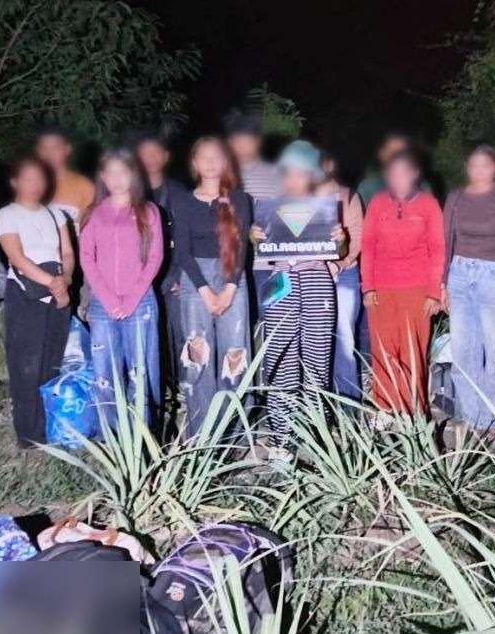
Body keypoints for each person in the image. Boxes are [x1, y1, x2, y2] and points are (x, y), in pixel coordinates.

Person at [249, 141, 345, 462]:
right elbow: (258, 246)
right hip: (280, 283)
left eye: (301, 172)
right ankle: (281, 437)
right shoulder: (269, 208)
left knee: (317, 360)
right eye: (289, 172)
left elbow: (341, 253)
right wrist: (253, 236)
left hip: (318, 281)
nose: (294, 179)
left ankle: (317, 436)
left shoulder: (325, 208)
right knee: (280, 358)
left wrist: (341, 239)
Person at [171, 137, 253, 438]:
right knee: (198, 356)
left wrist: (230, 288)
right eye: (203, 156)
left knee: (234, 354)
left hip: (233, 277)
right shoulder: (183, 200)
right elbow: (182, 251)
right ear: (194, 163)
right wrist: (204, 290)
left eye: (216, 156)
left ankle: (234, 436)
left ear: (226, 161)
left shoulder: (240, 199)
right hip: (196, 281)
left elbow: (241, 247)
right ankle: (202, 435)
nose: (209, 162)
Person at [79, 147, 165, 429]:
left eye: (123, 172)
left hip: (141, 303)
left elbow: (155, 258)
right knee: (105, 373)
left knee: (142, 372)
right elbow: (86, 258)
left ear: (134, 175)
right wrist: (107, 298)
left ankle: (143, 435)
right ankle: (112, 437)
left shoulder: (149, 211)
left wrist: (130, 299)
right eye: (110, 173)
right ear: (102, 176)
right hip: (102, 305)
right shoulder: (93, 213)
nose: (116, 179)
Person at [441, 143, 495, 427]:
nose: (479, 171)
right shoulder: (455, 197)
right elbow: (445, 242)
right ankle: (473, 415)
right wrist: (442, 284)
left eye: (485, 165)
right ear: (467, 167)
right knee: (464, 352)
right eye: (474, 165)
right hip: (459, 275)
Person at [360, 150, 445, 422]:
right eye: (393, 173)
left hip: (417, 288)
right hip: (382, 289)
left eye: (404, 172)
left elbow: (438, 249)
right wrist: (367, 287)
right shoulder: (377, 203)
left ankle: (413, 410)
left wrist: (434, 292)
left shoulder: (429, 205)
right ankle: (385, 407)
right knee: (383, 349)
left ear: (414, 174)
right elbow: (368, 247)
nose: (398, 178)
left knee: (413, 350)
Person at [0, 157, 74, 448]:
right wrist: (52, 282)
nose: (35, 184)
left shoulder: (56, 213)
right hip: (26, 295)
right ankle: (28, 434)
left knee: (52, 361)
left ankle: (50, 427)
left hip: (58, 293)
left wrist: (66, 278)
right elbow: (16, 257)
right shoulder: (7, 214)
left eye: (40, 178)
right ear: (15, 182)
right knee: (26, 365)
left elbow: (67, 252)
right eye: (28, 178)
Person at [136, 130, 189, 400]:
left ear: (166, 157)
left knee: (179, 333)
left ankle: (183, 388)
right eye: (145, 153)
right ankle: (155, 391)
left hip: (172, 275)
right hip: (138, 280)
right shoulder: (129, 192)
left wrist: (183, 275)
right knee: (148, 336)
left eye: (156, 152)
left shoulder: (178, 192)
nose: (151, 158)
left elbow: (187, 236)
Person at [317, 150, 365, 401]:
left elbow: (357, 238)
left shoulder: (349, 197)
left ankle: (349, 406)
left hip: (344, 276)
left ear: (330, 165)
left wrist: (338, 265)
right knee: (315, 340)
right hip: (311, 277)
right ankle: (318, 405)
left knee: (343, 338)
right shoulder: (300, 197)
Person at [34, 126, 95, 224]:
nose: (50, 154)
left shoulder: (84, 186)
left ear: (67, 149)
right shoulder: (29, 184)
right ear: (37, 151)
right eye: (44, 148)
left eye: (56, 147)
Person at [356, 132, 432, 206]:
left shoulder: (422, 186)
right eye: (392, 153)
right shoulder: (368, 186)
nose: (396, 157)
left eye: (401, 153)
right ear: (382, 154)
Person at [223, 111, 277, 200]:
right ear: (230, 142)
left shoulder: (276, 172)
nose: (244, 148)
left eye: (249, 142)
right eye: (239, 142)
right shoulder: (220, 173)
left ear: (258, 141)